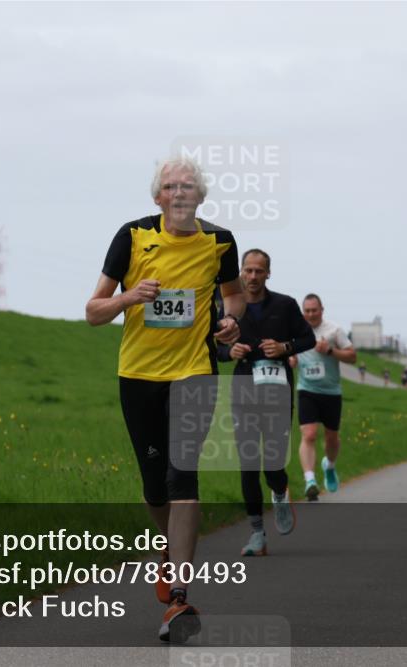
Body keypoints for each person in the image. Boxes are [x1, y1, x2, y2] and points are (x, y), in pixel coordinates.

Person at [85, 157, 243, 642]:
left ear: (200, 196)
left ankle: (179, 597)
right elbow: (93, 312)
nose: (180, 193)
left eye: (188, 186)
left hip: (194, 373)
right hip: (138, 376)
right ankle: (168, 554)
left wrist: (231, 321)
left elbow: (234, 296)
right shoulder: (131, 237)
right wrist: (129, 299)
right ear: (158, 197)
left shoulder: (219, 241)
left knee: (183, 475)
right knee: (156, 487)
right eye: (171, 186)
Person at [218, 249, 315, 557]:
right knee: (248, 463)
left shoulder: (284, 305)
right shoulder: (228, 307)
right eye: (247, 270)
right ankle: (257, 532)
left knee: (273, 462)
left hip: (277, 392)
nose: (252, 276)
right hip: (244, 391)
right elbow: (210, 347)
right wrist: (228, 353)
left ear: (268, 273)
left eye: (259, 271)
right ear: (241, 273)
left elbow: (307, 339)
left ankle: (279, 493)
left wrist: (284, 347)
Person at [291, 294, 356, 500]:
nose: (311, 314)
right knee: (309, 434)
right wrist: (290, 358)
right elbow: (288, 352)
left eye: (314, 310)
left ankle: (329, 466)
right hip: (306, 390)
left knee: (331, 438)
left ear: (322, 310)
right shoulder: (296, 330)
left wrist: (330, 350)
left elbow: (352, 356)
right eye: (307, 311)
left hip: (331, 392)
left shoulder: (334, 330)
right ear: (303, 312)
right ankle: (310, 480)